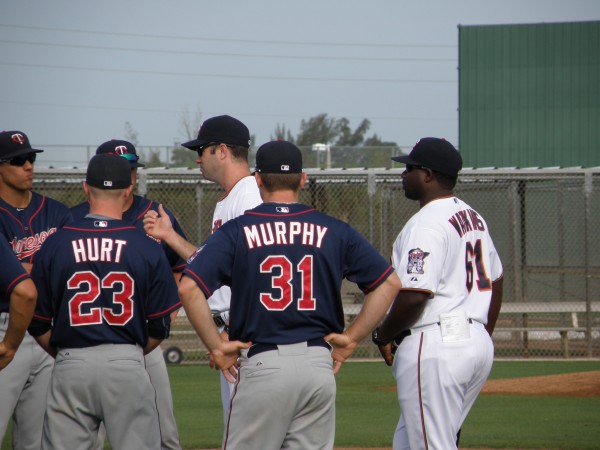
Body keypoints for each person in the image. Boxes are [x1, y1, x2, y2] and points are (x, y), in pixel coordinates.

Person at [174, 140, 401, 450]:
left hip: (263, 363)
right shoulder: (335, 230)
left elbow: (188, 287)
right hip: (317, 367)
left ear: (257, 179)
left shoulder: (237, 231)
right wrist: (351, 338)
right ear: (303, 179)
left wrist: (216, 347)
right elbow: (388, 283)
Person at [28, 153, 181, 449]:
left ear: (86, 189)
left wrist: (63, 352)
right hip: (127, 361)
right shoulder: (145, 246)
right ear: (127, 192)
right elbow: (160, 325)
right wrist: (132, 350)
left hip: (71, 362)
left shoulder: (56, 243)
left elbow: (37, 321)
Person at [371, 137, 504, 450]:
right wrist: (481, 335)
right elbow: (496, 280)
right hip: (474, 344)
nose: (403, 174)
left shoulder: (426, 223)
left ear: (428, 175)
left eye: (410, 168)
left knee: (432, 444)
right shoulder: (474, 217)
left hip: (436, 345)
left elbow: (416, 294)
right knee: (410, 441)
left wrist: (384, 334)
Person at [144, 114, 262, 424]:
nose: (197, 159)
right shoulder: (230, 198)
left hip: (242, 335)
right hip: (232, 333)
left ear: (222, 150)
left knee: (243, 437)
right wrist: (171, 237)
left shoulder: (248, 196)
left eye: (202, 150)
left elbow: (255, 273)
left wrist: (232, 338)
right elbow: (215, 265)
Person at [71, 139, 186, 450]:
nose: (129, 174)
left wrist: (169, 306)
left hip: (144, 338)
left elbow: (181, 264)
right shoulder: (73, 219)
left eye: (132, 168)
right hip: (86, 336)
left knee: (164, 434)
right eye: (122, 168)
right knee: (86, 437)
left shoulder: (155, 213)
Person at [0, 130, 73, 450]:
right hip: (5, 329)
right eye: (18, 160)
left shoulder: (58, 212)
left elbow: (71, 270)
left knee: (38, 440)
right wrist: (45, 270)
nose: (28, 165)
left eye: (31, 158)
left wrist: (20, 267)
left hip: (49, 327)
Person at [0, 237, 37, 372]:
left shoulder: (62, 215)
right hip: (8, 325)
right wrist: (10, 346)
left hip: (44, 321)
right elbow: (25, 292)